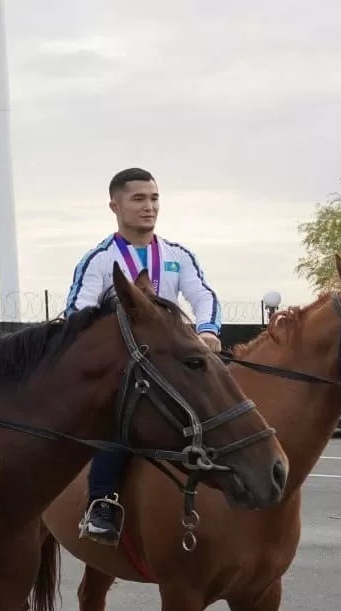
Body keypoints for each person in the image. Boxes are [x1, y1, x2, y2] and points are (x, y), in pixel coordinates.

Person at [64, 167, 224, 545]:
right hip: (125, 368)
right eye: (138, 199)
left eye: (154, 198)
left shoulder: (178, 255)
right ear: (114, 206)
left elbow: (204, 297)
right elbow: (77, 314)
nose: (148, 207)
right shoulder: (100, 260)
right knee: (116, 421)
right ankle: (102, 503)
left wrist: (207, 331)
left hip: (172, 364)